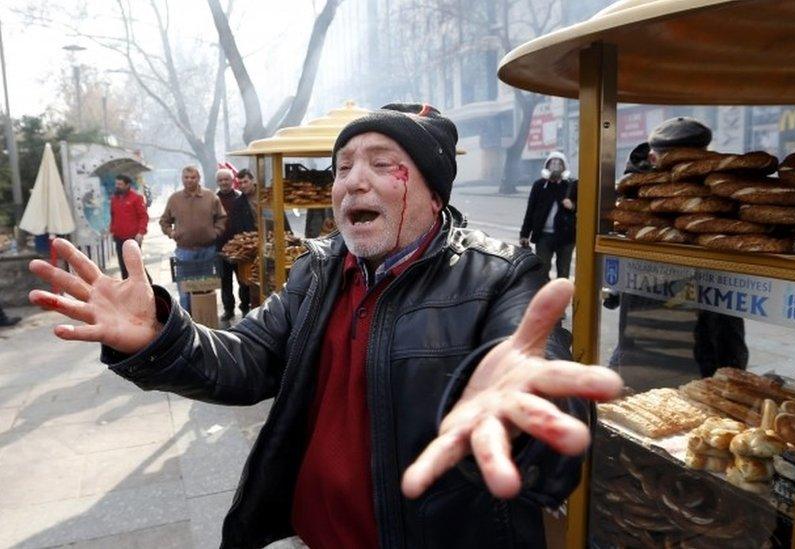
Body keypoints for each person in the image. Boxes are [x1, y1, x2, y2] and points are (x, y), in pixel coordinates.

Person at [26, 103, 623, 549]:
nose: (351, 181)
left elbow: (542, 391)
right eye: (342, 168)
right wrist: (162, 333)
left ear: (434, 194)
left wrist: (520, 410)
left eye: (383, 165)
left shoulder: (498, 276)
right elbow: (245, 357)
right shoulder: (319, 270)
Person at [607, 117, 748, 380]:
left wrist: (732, 362)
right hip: (653, 345)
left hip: (701, 348)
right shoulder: (634, 199)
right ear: (653, 159)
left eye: (695, 161)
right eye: (678, 161)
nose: (688, 170)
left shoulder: (719, 197)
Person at [159, 165, 227, 312]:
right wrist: (171, 233)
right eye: (186, 177)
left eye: (193, 177)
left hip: (208, 251)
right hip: (185, 252)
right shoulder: (174, 199)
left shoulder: (210, 197)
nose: (189, 180)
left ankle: (205, 319)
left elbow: (222, 217)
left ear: (198, 178)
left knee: (206, 289)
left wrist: (215, 232)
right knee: (185, 291)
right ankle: (187, 321)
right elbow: (164, 221)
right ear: (182, 179)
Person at [519, 151, 578, 279]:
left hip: (566, 237)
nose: (555, 166)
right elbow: (531, 210)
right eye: (552, 163)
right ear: (547, 166)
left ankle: (561, 298)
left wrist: (573, 206)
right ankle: (546, 297)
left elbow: (584, 208)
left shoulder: (571, 185)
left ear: (564, 167)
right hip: (543, 237)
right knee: (542, 270)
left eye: (559, 163)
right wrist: (524, 234)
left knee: (563, 272)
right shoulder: (539, 185)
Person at [215, 168, 252, 320]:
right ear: (218, 182)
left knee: (244, 280)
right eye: (221, 180)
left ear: (232, 181)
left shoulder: (240, 198)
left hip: (241, 247)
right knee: (225, 282)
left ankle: (245, 307)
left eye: (227, 179)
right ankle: (228, 310)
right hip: (221, 247)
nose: (224, 182)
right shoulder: (213, 199)